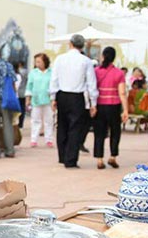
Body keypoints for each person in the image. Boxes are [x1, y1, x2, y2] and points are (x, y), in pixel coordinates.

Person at [49, 34, 97, 169]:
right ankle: (71, 159)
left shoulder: (60, 59)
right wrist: (93, 102)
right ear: (82, 46)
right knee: (75, 128)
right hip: (77, 97)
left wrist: (53, 97)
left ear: (70, 43)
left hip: (62, 94)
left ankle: (62, 156)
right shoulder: (86, 61)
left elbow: (54, 79)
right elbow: (91, 83)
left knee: (62, 126)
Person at [93, 47, 129, 169]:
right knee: (115, 131)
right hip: (114, 105)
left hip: (99, 105)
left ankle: (99, 159)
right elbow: (122, 93)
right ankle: (113, 156)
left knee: (99, 132)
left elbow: (92, 88)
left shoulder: (96, 71)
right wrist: (125, 110)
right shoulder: (119, 73)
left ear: (103, 56)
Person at [25, 53, 54, 147]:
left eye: (39, 62)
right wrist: (28, 99)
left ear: (45, 62)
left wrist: (54, 98)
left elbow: (54, 85)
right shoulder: (33, 73)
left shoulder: (51, 72)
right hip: (36, 99)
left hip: (48, 99)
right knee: (35, 120)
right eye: (36, 62)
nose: (37, 64)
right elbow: (29, 86)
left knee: (49, 120)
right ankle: (34, 139)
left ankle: (49, 139)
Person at [16, 61, 28, 128]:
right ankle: (21, 123)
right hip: (24, 92)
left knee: (17, 108)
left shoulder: (17, 72)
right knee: (23, 108)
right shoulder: (26, 72)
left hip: (18, 92)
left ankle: (17, 123)